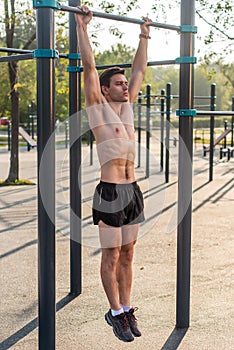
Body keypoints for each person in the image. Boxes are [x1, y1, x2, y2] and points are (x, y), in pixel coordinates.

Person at [75, 6, 151, 343]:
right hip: (109, 191)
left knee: (129, 253)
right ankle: (114, 312)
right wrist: (82, 27)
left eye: (124, 84)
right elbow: (90, 68)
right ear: (105, 89)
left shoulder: (127, 106)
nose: (125, 86)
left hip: (132, 190)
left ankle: (127, 307)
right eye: (118, 84)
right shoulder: (97, 107)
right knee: (112, 254)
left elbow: (138, 71)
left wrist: (145, 35)